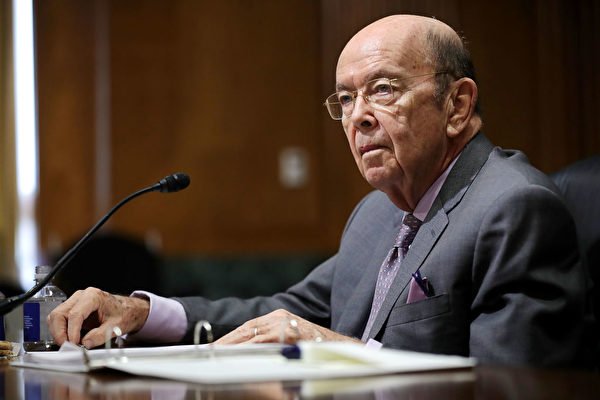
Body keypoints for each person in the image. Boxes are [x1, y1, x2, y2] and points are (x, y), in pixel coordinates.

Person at [48, 14, 589, 366]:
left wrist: (336, 350)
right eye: (346, 100)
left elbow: (508, 385)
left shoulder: (514, 208)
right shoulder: (377, 214)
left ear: (457, 105)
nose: (358, 118)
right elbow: (285, 313)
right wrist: (143, 313)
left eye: (383, 90)